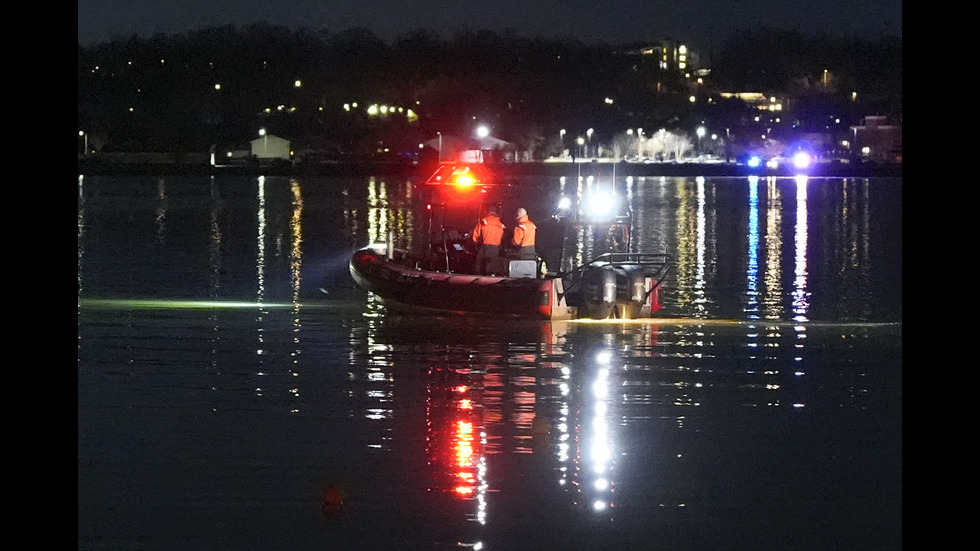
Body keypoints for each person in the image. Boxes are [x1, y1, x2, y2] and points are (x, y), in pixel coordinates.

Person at [471, 206, 505, 274]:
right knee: (492, 265)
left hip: (485, 246)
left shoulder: (484, 221)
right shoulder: (500, 224)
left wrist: (475, 242)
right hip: (496, 248)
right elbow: (503, 237)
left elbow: (476, 234)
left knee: (479, 262)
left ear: (488, 212)